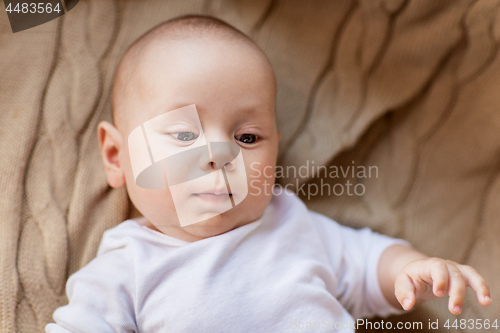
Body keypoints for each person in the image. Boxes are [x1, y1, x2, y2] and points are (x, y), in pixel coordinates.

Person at [45, 14, 492, 332]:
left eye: (247, 138)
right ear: (116, 156)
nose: (219, 157)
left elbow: (369, 262)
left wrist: (413, 270)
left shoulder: (290, 223)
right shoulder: (127, 267)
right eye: (184, 135)